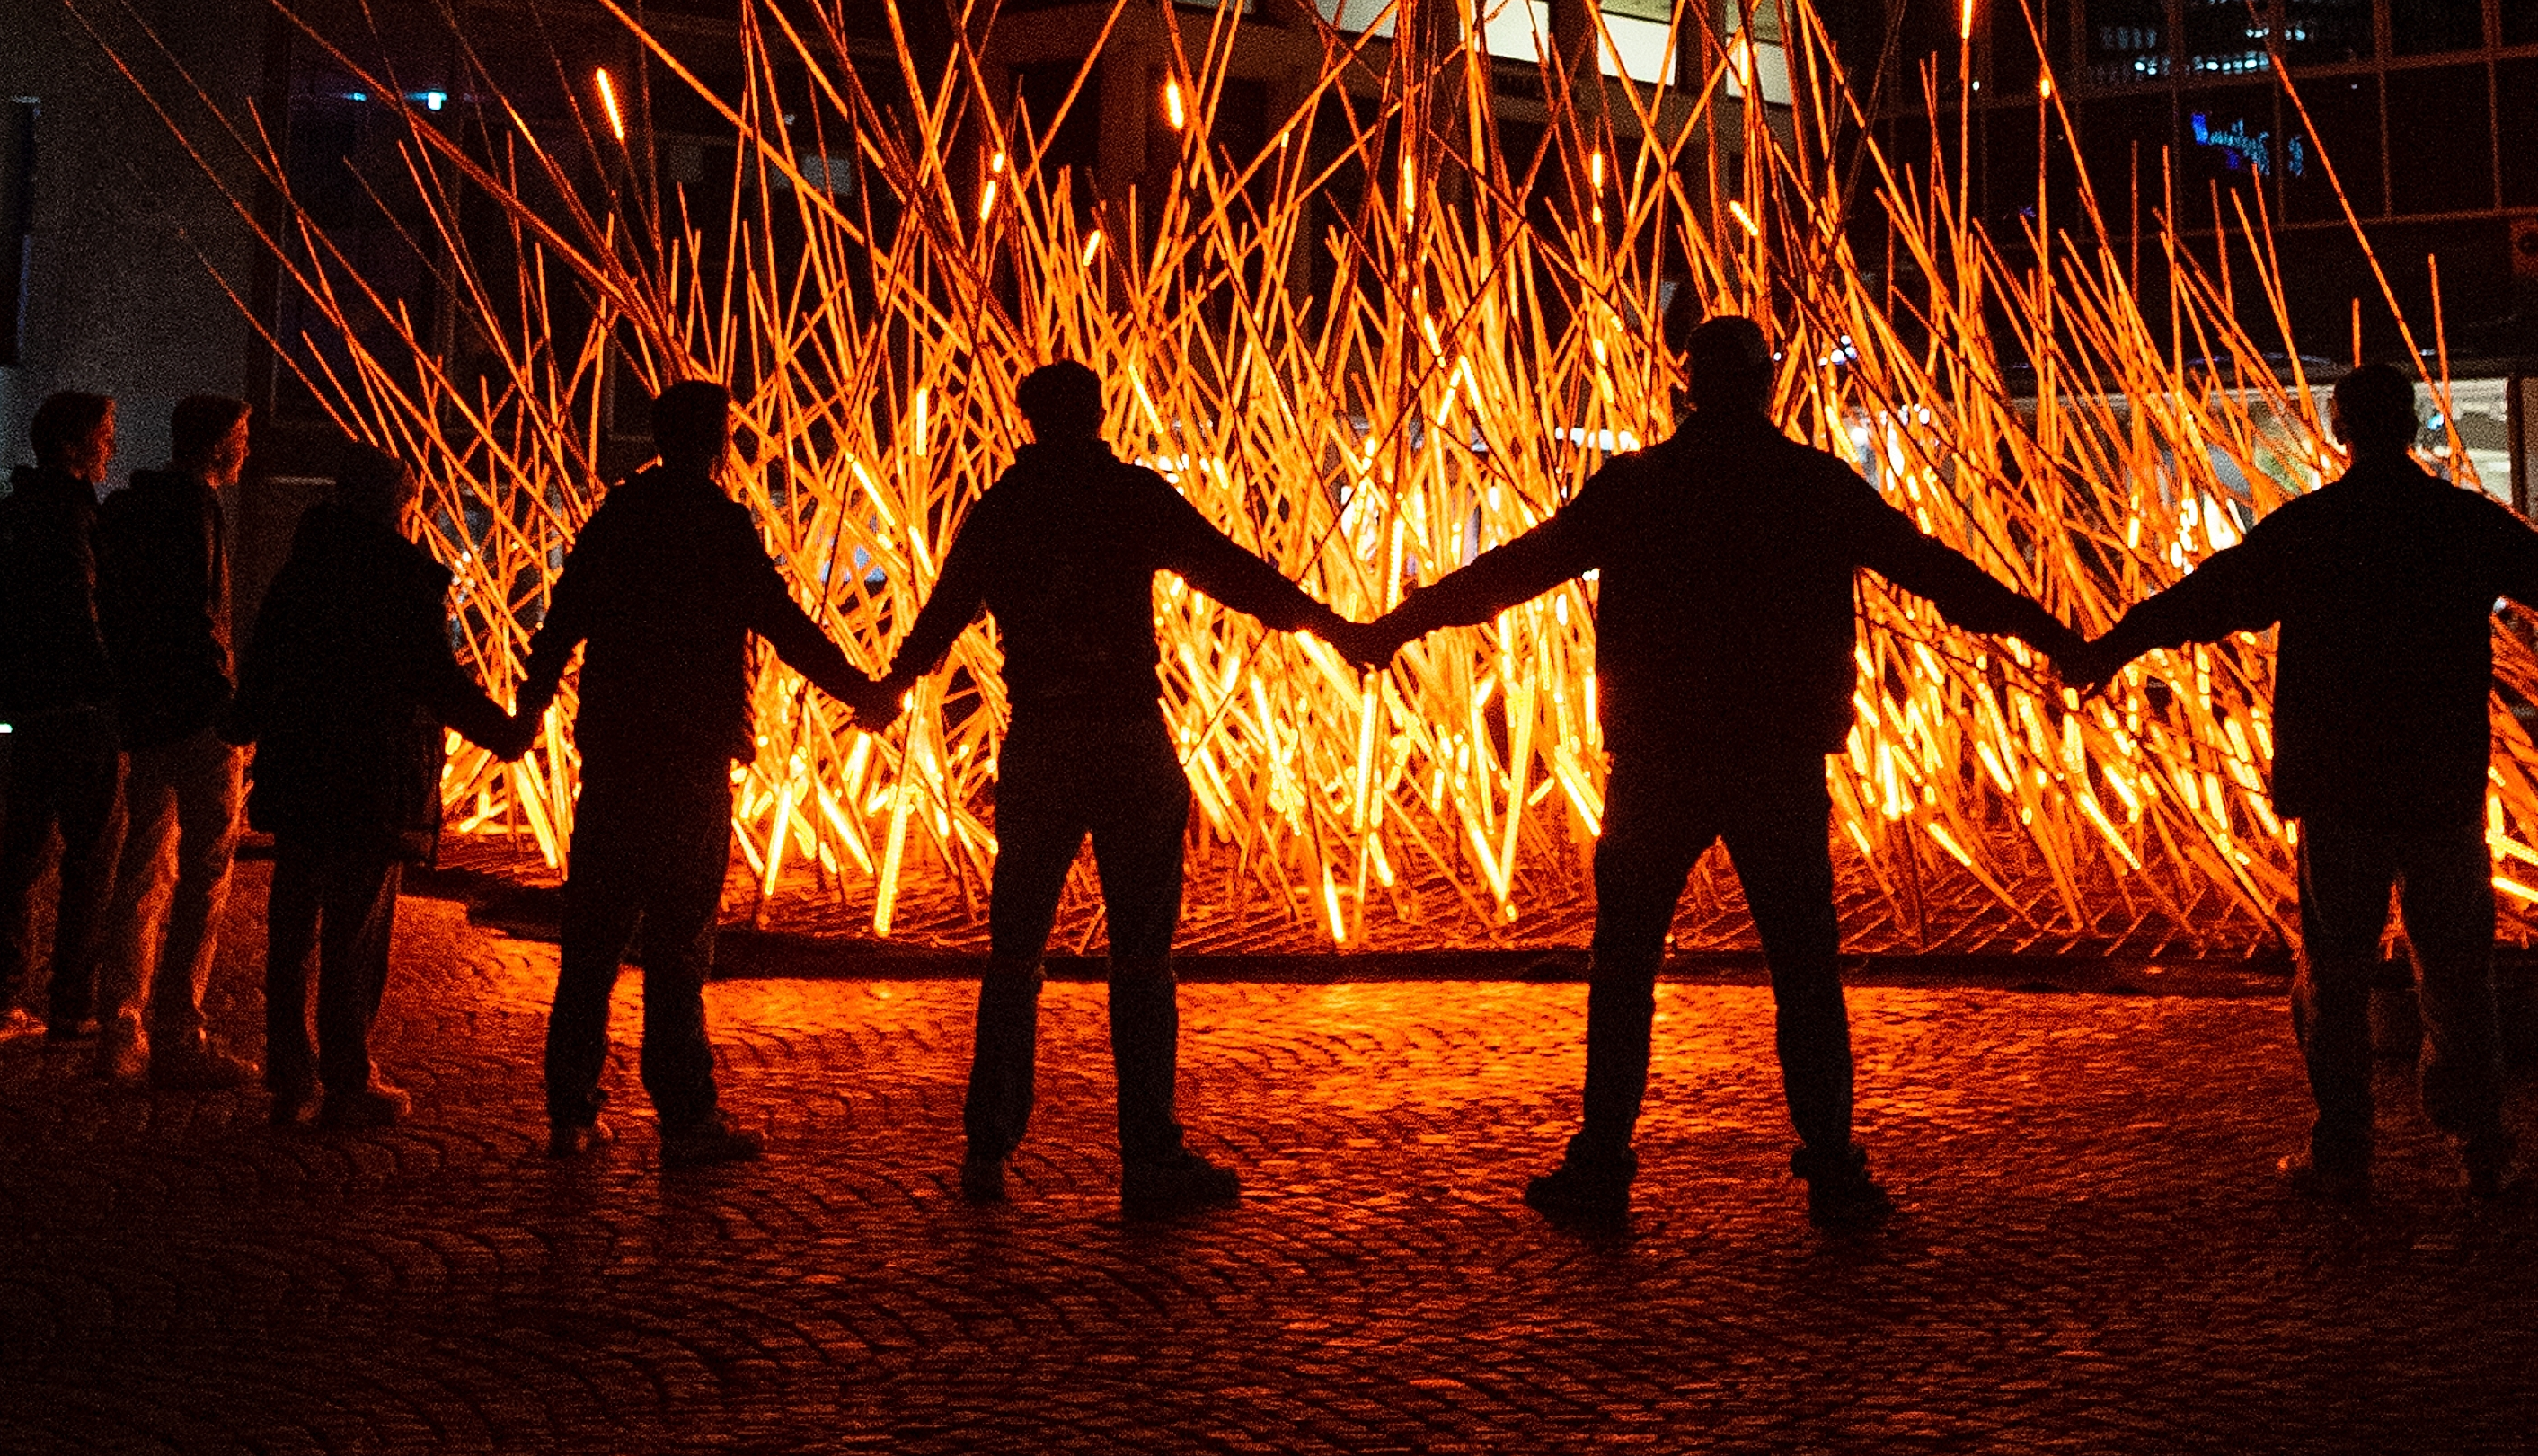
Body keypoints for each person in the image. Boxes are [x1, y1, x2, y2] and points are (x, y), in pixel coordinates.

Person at [1362, 315, 2087, 1233]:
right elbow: (1936, 573)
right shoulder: (1810, 485)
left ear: (1687, 387)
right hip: (1775, 755)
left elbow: (1516, 570)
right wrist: (2055, 638)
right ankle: (1830, 1164)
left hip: (1657, 754)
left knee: (1624, 965)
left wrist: (1399, 624)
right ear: (1767, 386)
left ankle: (1603, 1159)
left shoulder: (1638, 488)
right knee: (1803, 968)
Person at [2080, 357, 2538, 1204]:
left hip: (2342, 787)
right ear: (2412, 424)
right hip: (2439, 781)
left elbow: (2208, 595)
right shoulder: (2458, 521)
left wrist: (2113, 646)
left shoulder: (2315, 526)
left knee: (2334, 973)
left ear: (2341, 427)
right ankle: (2480, 1144)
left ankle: (2344, 1148)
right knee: (2457, 972)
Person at [860, 357, 1359, 1214]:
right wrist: (1333, 627)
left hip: (1041, 739)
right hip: (1126, 734)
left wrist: (885, 690)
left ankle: (988, 1146)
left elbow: (940, 618)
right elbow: (1232, 572)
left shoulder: (1004, 510)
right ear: (1096, 414)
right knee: (1143, 957)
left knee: (1014, 951)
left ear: (1029, 421)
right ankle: (1150, 1153)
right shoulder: (1131, 497)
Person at [514, 379, 869, 1169]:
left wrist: (523, 717)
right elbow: (783, 625)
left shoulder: (618, 520)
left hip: (614, 755)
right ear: (717, 439)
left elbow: (560, 623)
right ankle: (686, 1116)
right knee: (678, 944)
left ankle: (570, 1111)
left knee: (592, 943)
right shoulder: (717, 524)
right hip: (690, 760)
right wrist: (863, 692)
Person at [234, 445, 526, 1130]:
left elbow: (266, 661)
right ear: (399, 499)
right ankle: (347, 1074)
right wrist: (504, 732)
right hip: (371, 775)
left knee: (294, 922)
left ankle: (289, 1069)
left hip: (303, 768)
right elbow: (435, 678)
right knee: (355, 928)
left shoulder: (300, 571)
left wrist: (243, 723)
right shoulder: (399, 578)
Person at [89, 393, 256, 1090]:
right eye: (241, 437)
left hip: (145, 712)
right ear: (218, 444)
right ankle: (179, 1028)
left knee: (140, 868)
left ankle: (119, 1026)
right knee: (204, 874)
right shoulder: (197, 509)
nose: (247, 449)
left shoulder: (129, 511)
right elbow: (202, 618)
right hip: (196, 717)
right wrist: (230, 708)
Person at [0, 389, 124, 1044]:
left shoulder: (6, 516)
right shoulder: (72, 520)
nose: (111, 447)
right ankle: (72, 1004)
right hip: (80, 709)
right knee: (93, 857)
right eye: (104, 435)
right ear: (72, 446)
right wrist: (112, 683)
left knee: (24, 852)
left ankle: (1, 998)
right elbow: (82, 613)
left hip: (30, 706)